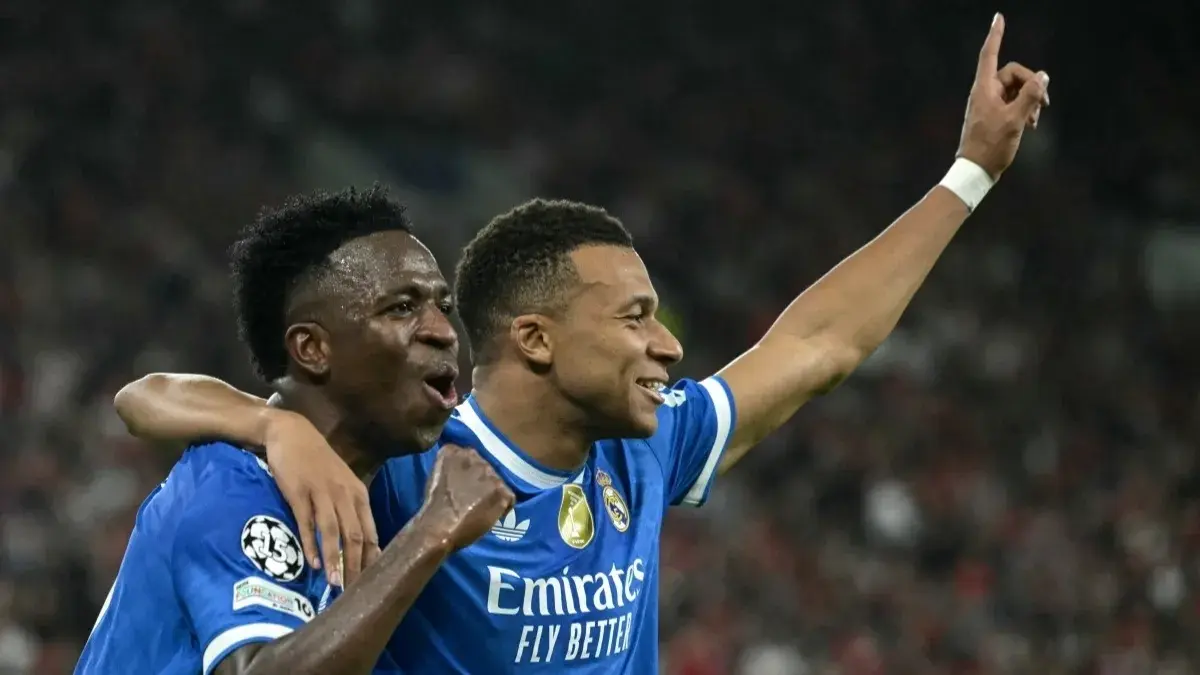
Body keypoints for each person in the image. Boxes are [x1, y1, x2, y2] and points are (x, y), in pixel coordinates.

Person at [111, 15, 1049, 672]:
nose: (668, 348)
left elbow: (819, 342)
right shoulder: (413, 466)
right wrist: (275, 427)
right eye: (634, 318)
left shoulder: (642, 448)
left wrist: (969, 174)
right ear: (535, 338)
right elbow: (157, 399)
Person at [75, 187, 514, 675]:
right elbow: (140, 396)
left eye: (443, 306)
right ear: (311, 349)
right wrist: (431, 533)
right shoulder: (231, 487)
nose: (444, 331)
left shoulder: (399, 467)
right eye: (401, 308)